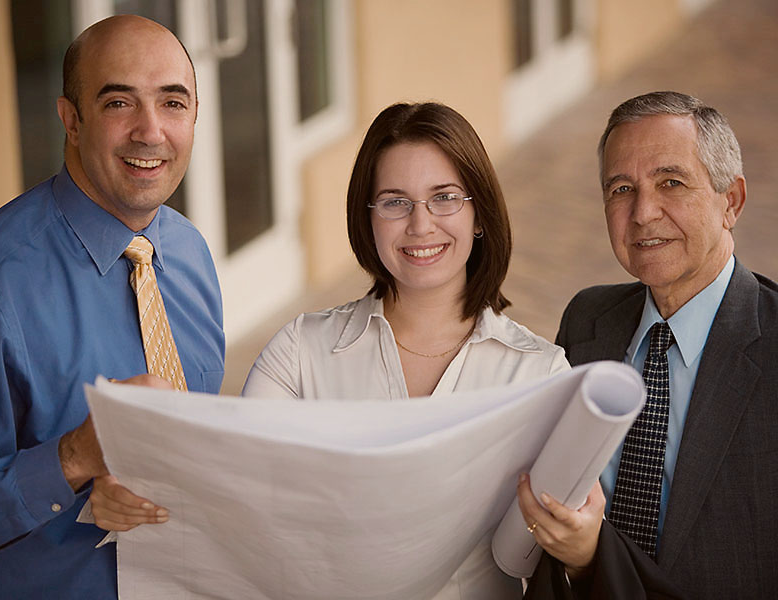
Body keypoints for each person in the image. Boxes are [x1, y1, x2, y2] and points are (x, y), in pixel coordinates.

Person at [243, 101, 570, 599]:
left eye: (444, 198)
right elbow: (244, 506)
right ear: (368, 218)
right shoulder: (299, 355)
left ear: (478, 214)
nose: (420, 225)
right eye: (395, 202)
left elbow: (547, 555)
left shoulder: (540, 374)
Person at [0, 15, 225, 599]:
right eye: (119, 103)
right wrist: (74, 458)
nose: (150, 131)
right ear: (71, 118)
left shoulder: (189, 252)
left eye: (172, 103)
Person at [518, 91, 778, 599]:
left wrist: (592, 554)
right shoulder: (587, 321)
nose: (642, 212)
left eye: (671, 183)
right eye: (621, 189)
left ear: (732, 202)